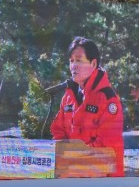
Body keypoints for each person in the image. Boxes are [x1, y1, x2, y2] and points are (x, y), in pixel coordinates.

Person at [50, 37, 124, 177]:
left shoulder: (108, 99)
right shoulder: (68, 97)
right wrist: (60, 152)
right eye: (71, 61)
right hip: (71, 178)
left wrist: (70, 158)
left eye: (78, 60)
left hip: (102, 183)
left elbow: (105, 149)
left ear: (93, 63)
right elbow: (58, 130)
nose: (73, 66)